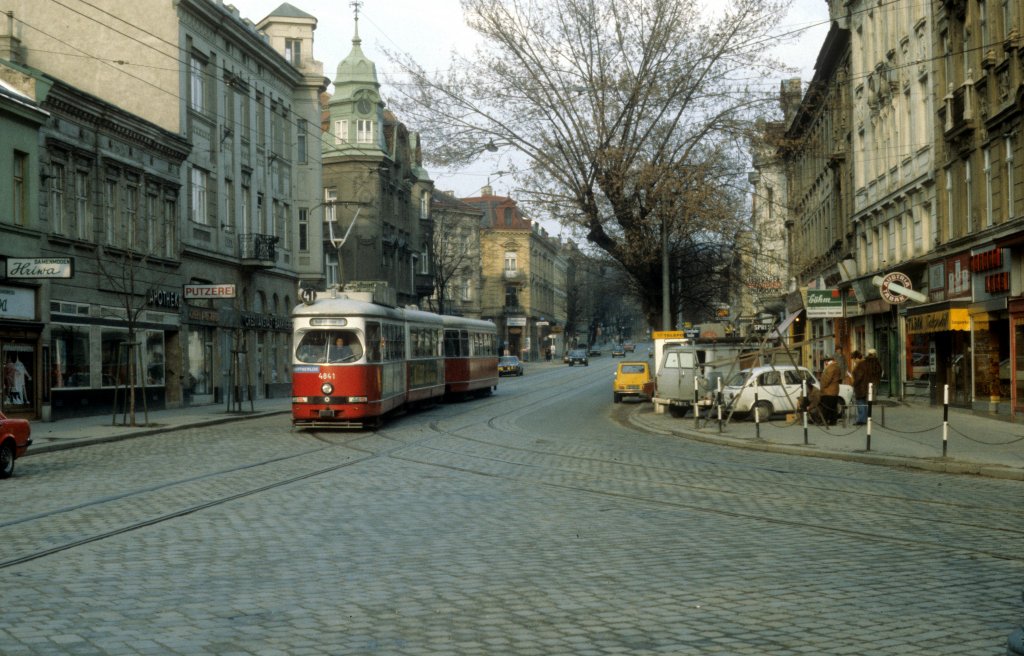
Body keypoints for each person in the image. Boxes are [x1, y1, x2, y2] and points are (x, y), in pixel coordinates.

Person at [853, 348, 884, 425]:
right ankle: (866, 418)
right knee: (866, 402)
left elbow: (859, 375)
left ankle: (862, 419)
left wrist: (854, 383)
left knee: (860, 401)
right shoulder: (877, 364)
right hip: (871, 386)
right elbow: (880, 374)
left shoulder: (863, 363)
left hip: (861, 385)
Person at [819, 355, 842, 426]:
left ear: (828, 361)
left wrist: (822, 386)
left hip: (829, 391)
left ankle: (825, 421)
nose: (825, 362)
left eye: (825, 361)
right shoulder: (836, 366)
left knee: (826, 407)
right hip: (833, 391)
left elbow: (827, 379)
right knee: (833, 407)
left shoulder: (831, 367)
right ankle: (832, 421)